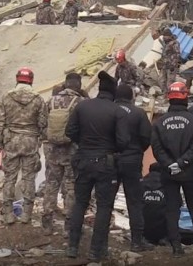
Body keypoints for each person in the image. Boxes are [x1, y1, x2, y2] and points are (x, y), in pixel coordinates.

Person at [65, 71, 130, 261]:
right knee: (104, 207)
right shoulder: (118, 111)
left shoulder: (82, 107)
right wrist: (109, 147)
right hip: (106, 163)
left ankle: (72, 247)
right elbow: (124, 142)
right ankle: (95, 251)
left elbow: (70, 131)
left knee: (80, 204)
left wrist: (84, 143)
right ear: (113, 92)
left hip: (83, 160)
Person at [151, 82, 193, 257]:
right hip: (189, 172)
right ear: (185, 97)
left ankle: (176, 247)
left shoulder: (159, 122)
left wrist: (169, 164)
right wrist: (182, 163)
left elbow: (157, 148)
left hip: (169, 173)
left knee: (172, 209)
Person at [0, 67, 47, 225]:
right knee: (29, 178)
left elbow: (0, 122)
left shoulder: (7, 97)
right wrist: (40, 138)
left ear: (17, 79)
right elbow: (43, 123)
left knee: (10, 178)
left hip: (12, 141)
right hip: (30, 142)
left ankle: (9, 214)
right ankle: (26, 215)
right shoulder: (38, 99)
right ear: (31, 80)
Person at [42, 73, 86, 235]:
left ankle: (47, 222)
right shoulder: (81, 103)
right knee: (71, 186)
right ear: (79, 85)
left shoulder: (50, 101)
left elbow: (42, 125)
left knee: (51, 184)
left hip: (52, 151)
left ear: (65, 84)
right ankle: (68, 225)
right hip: (71, 152)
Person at [114, 84, 154, 252]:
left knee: (106, 201)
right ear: (131, 97)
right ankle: (137, 241)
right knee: (135, 201)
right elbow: (146, 138)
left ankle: (99, 244)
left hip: (112, 160)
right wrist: (136, 152)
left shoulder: (109, 110)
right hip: (132, 161)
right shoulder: (138, 113)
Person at [142, 163, 167, 245]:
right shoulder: (167, 184)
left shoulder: (141, 183)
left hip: (144, 229)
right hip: (162, 230)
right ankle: (165, 238)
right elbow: (179, 203)